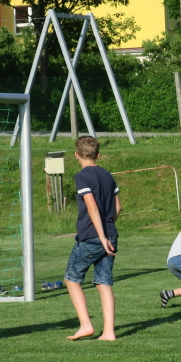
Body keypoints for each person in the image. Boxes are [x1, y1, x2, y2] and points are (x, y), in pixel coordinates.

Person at [65, 136, 121, 341]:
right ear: (98, 154)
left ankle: (86, 325)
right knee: (103, 282)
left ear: (76, 155)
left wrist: (100, 236)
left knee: (71, 278)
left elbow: (92, 206)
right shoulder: (107, 175)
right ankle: (109, 332)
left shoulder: (82, 176)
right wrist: (108, 229)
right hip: (111, 235)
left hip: (92, 237)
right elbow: (118, 207)